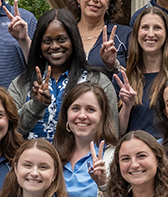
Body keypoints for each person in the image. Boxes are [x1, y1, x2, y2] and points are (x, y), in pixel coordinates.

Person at [8, 9, 118, 141]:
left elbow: (111, 133)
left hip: (85, 154)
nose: (55, 46)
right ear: (39, 44)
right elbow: (9, 131)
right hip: (32, 154)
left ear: (74, 40)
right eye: (47, 41)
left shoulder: (98, 81)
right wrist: (36, 105)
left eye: (61, 39)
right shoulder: (22, 84)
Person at [119, 7, 168, 137]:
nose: (150, 34)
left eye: (157, 28)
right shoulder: (123, 80)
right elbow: (117, 132)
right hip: (135, 148)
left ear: (167, 34)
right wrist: (127, 105)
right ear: (136, 33)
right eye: (145, 27)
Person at [66, 0, 131, 79]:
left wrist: (113, 65)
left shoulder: (125, 35)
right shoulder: (65, 34)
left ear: (109, 3)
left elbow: (136, 79)